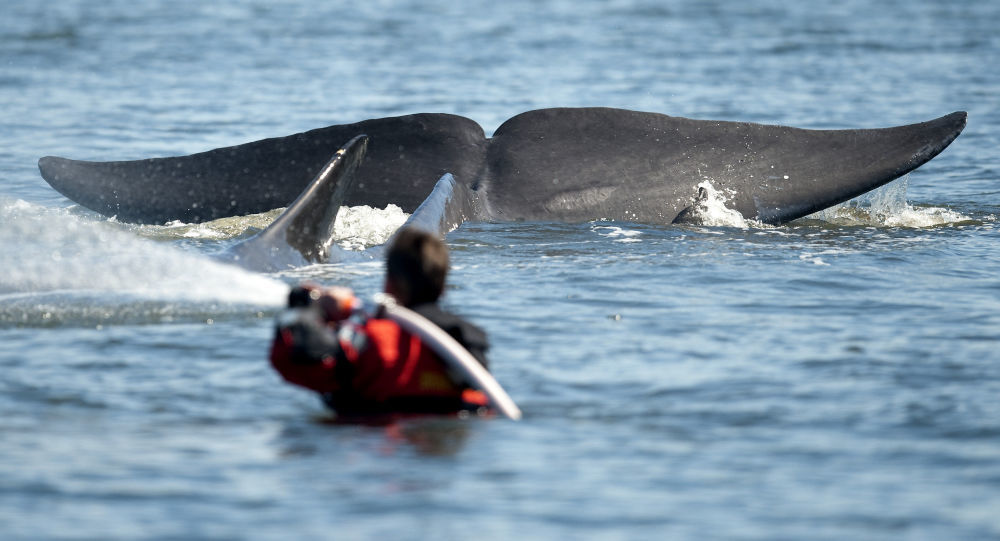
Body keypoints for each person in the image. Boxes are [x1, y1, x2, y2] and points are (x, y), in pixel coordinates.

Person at [269, 227, 491, 417]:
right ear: (442, 289)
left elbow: (291, 357)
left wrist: (310, 308)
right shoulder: (468, 347)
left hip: (380, 453)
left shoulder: (372, 340)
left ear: (389, 285)